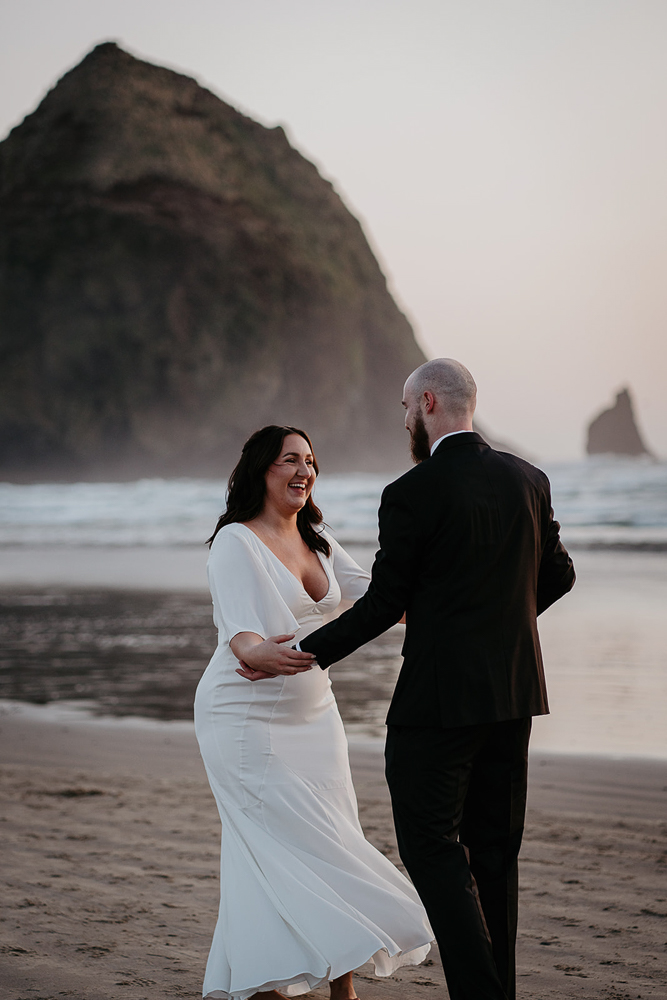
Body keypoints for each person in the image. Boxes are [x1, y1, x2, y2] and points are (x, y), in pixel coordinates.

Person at [248, 361, 576, 1000]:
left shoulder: (411, 492)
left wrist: (301, 653)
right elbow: (559, 575)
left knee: (431, 849)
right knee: (495, 858)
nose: (404, 421)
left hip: (436, 703)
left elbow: (381, 604)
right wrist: (497, 624)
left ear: (428, 402)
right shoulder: (528, 479)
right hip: (514, 696)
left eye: (405, 407)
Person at [194, 424, 432, 1000]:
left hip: (315, 718)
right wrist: (259, 653)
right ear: (262, 470)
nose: (305, 471)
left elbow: (384, 600)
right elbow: (243, 638)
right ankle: (270, 979)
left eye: (311, 461)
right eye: (290, 460)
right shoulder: (235, 541)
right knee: (273, 849)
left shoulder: (318, 536)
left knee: (332, 836)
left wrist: (464, 598)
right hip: (244, 717)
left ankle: (341, 988)